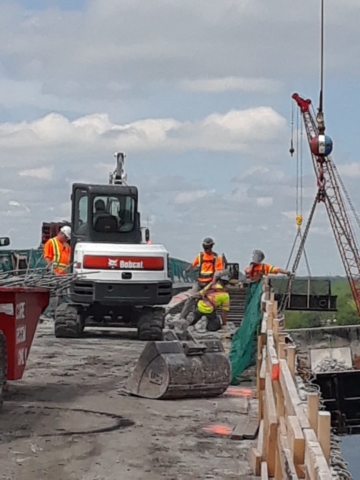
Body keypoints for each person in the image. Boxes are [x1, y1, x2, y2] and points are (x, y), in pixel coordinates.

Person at [180, 237, 224, 319]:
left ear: (211, 247)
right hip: (199, 283)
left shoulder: (217, 258)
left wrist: (211, 285)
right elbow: (193, 264)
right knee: (190, 299)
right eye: (205, 247)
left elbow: (218, 273)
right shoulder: (200, 256)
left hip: (210, 283)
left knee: (210, 301)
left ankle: (211, 319)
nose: (206, 249)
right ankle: (182, 318)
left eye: (208, 247)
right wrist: (187, 270)